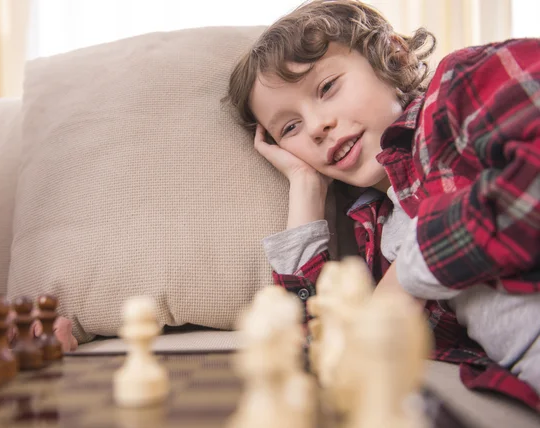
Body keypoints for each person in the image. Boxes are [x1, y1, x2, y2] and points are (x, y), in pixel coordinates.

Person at [224, 0, 540, 409]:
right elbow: (324, 347)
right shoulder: (378, 231)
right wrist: (305, 186)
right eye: (290, 127)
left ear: (392, 54)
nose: (317, 127)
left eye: (326, 88)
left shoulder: (458, 88)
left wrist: (414, 272)